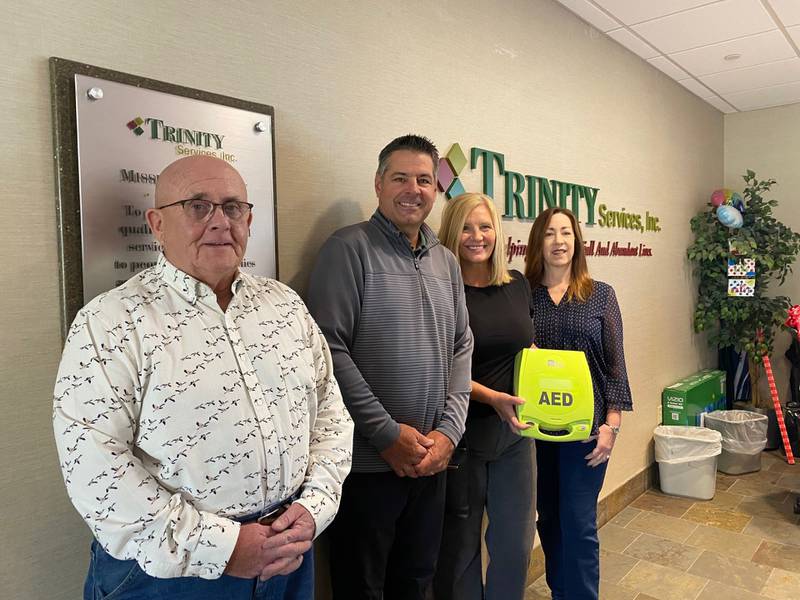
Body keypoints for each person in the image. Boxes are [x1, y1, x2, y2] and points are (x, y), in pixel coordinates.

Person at [53, 155, 353, 600]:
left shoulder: (285, 306)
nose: (219, 222)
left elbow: (330, 413)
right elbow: (94, 464)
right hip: (172, 574)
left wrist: (315, 508)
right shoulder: (112, 321)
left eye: (233, 207)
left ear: (249, 220)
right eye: (198, 206)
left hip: (290, 551)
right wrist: (223, 549)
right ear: (157, 224)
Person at [306, 134, 473, 600]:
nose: (412, 189)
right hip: (367, 467)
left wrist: (449, 433)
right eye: (400, 177)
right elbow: (328, 351)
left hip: (432, 460)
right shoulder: (348, 250)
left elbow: (462, 345)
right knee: (362, 589)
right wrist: (386, 435)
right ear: (379, 184)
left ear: (436, 189)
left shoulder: (445, 262)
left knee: (417, 583)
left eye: (423, 179)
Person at [523, 207, 633, 600]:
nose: (558, 241)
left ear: (577, 241)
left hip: (586, 429)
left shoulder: (601, 295)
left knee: (578, 521)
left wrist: (612, 425)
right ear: (539, 242)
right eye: (550, 234)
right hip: (534, 428)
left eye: (566, 233)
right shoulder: (524, 294)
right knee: (548, 518)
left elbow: (615, 364)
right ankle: (561, 592)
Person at [433, 193, 536, 600]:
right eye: (467, 228)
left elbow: (527, 350)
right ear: (451, 234)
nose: (477, 237)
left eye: (485, 226)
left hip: (515, 435)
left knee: (515, 544)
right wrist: (492, 397)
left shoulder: (517, 284)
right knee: (460, 550)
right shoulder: (442, 290)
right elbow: (441, 366)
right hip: (462, 436)